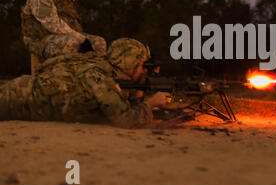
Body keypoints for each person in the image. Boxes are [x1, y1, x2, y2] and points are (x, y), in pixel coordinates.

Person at [0, 38, 168, 128]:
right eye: (140, 65)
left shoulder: (105, 65)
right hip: (17, 99)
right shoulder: (101, 79)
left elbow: (122, 101)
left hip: (21, 90)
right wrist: (150, 103)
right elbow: (124, 119)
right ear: (128, 65)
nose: (143, 69)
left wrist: (139, 91)